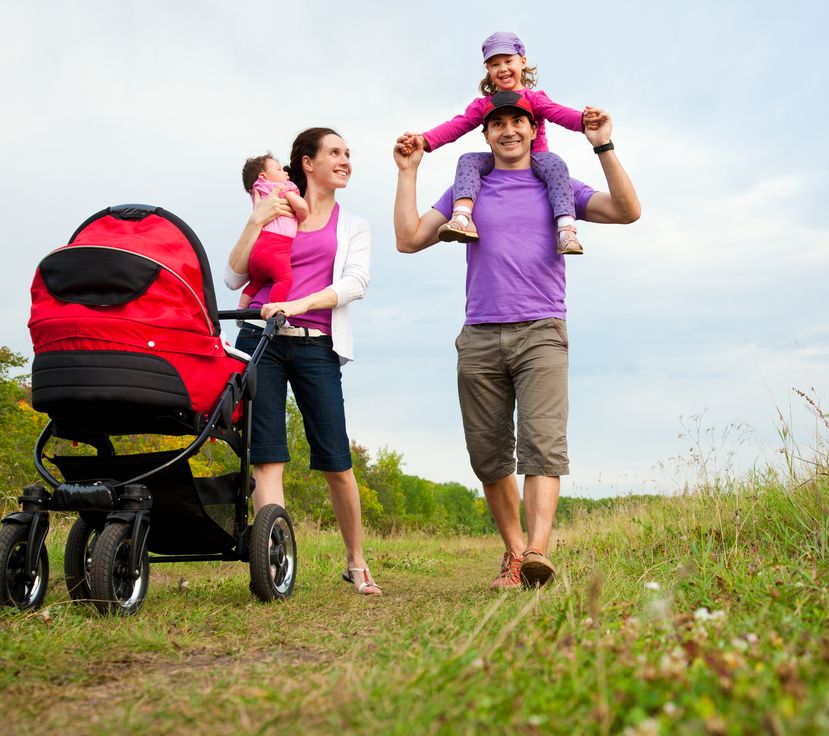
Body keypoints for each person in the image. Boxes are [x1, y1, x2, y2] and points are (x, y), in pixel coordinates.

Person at [393, 92, 640, 590]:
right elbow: (409, 238)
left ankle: (537, 552)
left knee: (542, 446)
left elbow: (627, 211)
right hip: (480, 335)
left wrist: (604, 145)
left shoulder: (557, 185)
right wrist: (408, 171)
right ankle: (512, 553)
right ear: (485, 135)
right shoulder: (472, 187)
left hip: (542, 332)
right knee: (488, 455)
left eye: (517, 122)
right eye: (497, 123)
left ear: (533, 130)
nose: (508, 130)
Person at [226, 127, 382, 595]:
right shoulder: (274, 215)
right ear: (307, 163)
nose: (345, 160)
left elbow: (355, 284)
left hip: (315, 344)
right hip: (260, 339)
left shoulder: (353, 225)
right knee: (267, 457)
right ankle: (273, 565)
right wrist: (254, 221)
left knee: (336, 459)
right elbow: (235, 278)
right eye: (334, 152)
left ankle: (356, 561)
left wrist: (295, 305)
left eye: (348, 153)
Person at [398, 31, 601, 256]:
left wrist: (584, 121)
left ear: (522, 62)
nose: (502, 68)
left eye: (508, 61)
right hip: (500, 160)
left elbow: (557, 113)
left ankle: (566, 230)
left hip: (537, 160)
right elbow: (459, 124)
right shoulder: (485, 104)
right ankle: (462, 217)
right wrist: (425, 140)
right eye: (495, 64)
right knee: (468, 161)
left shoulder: (534, 99)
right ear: (488, 70)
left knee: (556, 164)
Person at [236, 153, 309, 308]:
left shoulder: (258, 190)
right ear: (264, 176)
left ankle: (240, 309)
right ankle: (275, 309)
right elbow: (302, 207)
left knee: (256, 282)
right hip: (276, 247)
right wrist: (302, 217)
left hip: (257, 250)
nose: (285, 173)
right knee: (284, 279)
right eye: (279, 169)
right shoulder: (282, 187)